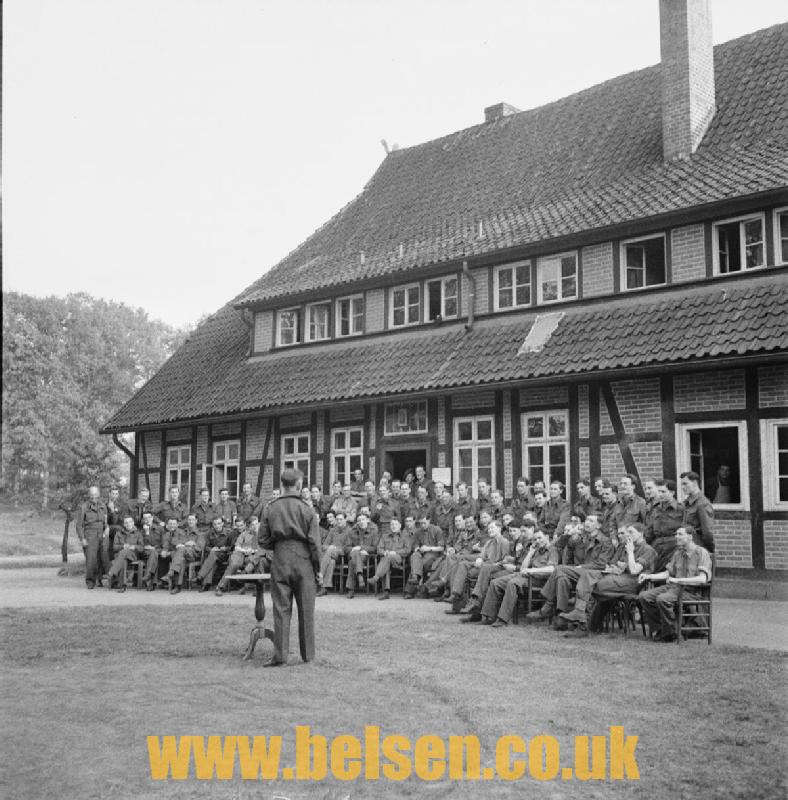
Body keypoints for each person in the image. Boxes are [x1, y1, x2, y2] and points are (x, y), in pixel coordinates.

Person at [258, 468, 322, 666]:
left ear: (282, 484)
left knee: (281, 609)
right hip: (303, 560)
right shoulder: (307, 508)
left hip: (280, 559)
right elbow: (315, 543)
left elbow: (262, 539)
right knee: (306, 610)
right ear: (299, 484)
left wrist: (278, 546)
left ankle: (280, 656)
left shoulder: (270, 507)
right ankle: (308, 655)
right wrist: (317, 567)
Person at [638, 525, 713, 642]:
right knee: (644, 596)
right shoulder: (678, 553)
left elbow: (703, 579)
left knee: (663, 599)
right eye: (676, 534)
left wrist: (679, 580)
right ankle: (662, 630)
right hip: (674, 588)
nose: (676, 537)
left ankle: (670, 633)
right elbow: (668, 573)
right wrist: (648, 576)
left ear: (690, 537)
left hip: (692, 591)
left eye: (680, 534)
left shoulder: (702, 553)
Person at [368, 518, 412, 600]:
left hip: (398, 560)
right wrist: (384, 552)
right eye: (392, 524)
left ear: (400, 525)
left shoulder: (405, 536)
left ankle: (376, 577)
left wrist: (395, 552)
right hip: (386, 559)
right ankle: (386, 592)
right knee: (386, 564)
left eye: (395, 524)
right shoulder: (385, 536)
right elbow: (379, 549)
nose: (393, 526)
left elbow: (407, 550)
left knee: (386, 559)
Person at [75, 486, 109, 589]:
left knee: (103, 557)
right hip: (90, 534)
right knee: (91, 560)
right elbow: (79, 525)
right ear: (89, 495)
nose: (94, 497)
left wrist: (107, 528)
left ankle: (100, 579)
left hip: (102, 534)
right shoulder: (84, 507)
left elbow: (106, 521)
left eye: (96, 495)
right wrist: (82, 539)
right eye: (92, 495)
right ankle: (90, 581)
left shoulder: (103, 506)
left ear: (99, 495)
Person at [215, 518, 258, 596]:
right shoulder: (244, 534)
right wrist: (244, 550)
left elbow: (262, 548)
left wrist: (252, 551)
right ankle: (220, 587)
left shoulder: (261, 535)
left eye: (256, 524)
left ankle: (249, 587)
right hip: (240, 553)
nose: (255, 526)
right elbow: (237, 546)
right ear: (248, 526)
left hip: (253, 555)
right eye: (252, 524)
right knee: (234, 564)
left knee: (253, 562)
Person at [106, 516, 144, 592]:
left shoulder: (138, 533)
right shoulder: (118, 533)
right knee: (123, 559)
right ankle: (122, 586)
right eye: (126, 522)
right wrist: (123, 546)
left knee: (124, 552)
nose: (128, 524)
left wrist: (134, 547)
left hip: (133, 555)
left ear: (133, 523)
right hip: (121, 556)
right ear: (123, 524)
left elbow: (141, 548)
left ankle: (113, 572)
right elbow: (114, 547)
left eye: (130, 522)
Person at [680, 471, 716, 552]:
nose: (682, 487)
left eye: (685, 484)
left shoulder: (702, 503)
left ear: (695, 483)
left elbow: (707, 533)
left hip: (697, 546)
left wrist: (709, 549)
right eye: (681, 484)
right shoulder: (687, 503)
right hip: (687, 546)